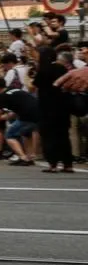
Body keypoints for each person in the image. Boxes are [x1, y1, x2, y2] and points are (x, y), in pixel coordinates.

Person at [36, 45, 76, 173]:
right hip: (63, 107)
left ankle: (52, 164)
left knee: (48, 136)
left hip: (47, 108)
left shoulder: (43, 70)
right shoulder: (63, 69)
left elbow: (34, 87)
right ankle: (67, 164)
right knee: (63, 135)